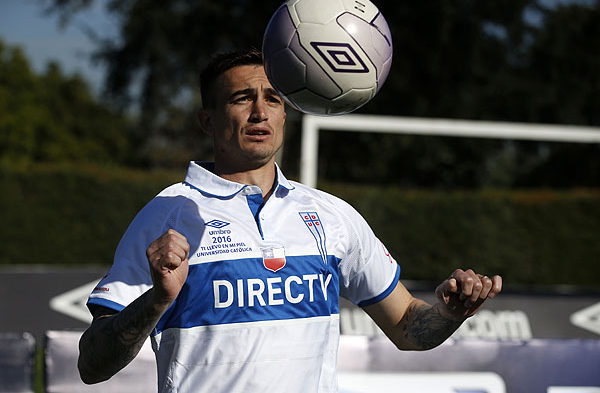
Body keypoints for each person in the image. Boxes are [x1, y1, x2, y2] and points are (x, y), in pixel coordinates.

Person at [78, 48, 502, 392]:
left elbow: (408, 327)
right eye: (242, 98)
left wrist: (449, 314)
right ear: (207, 120)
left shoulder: (332, 215)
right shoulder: (166, 215)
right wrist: (157, 300)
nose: (260, 112)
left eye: (273, 99)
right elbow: (92, 365)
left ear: (285, 114)